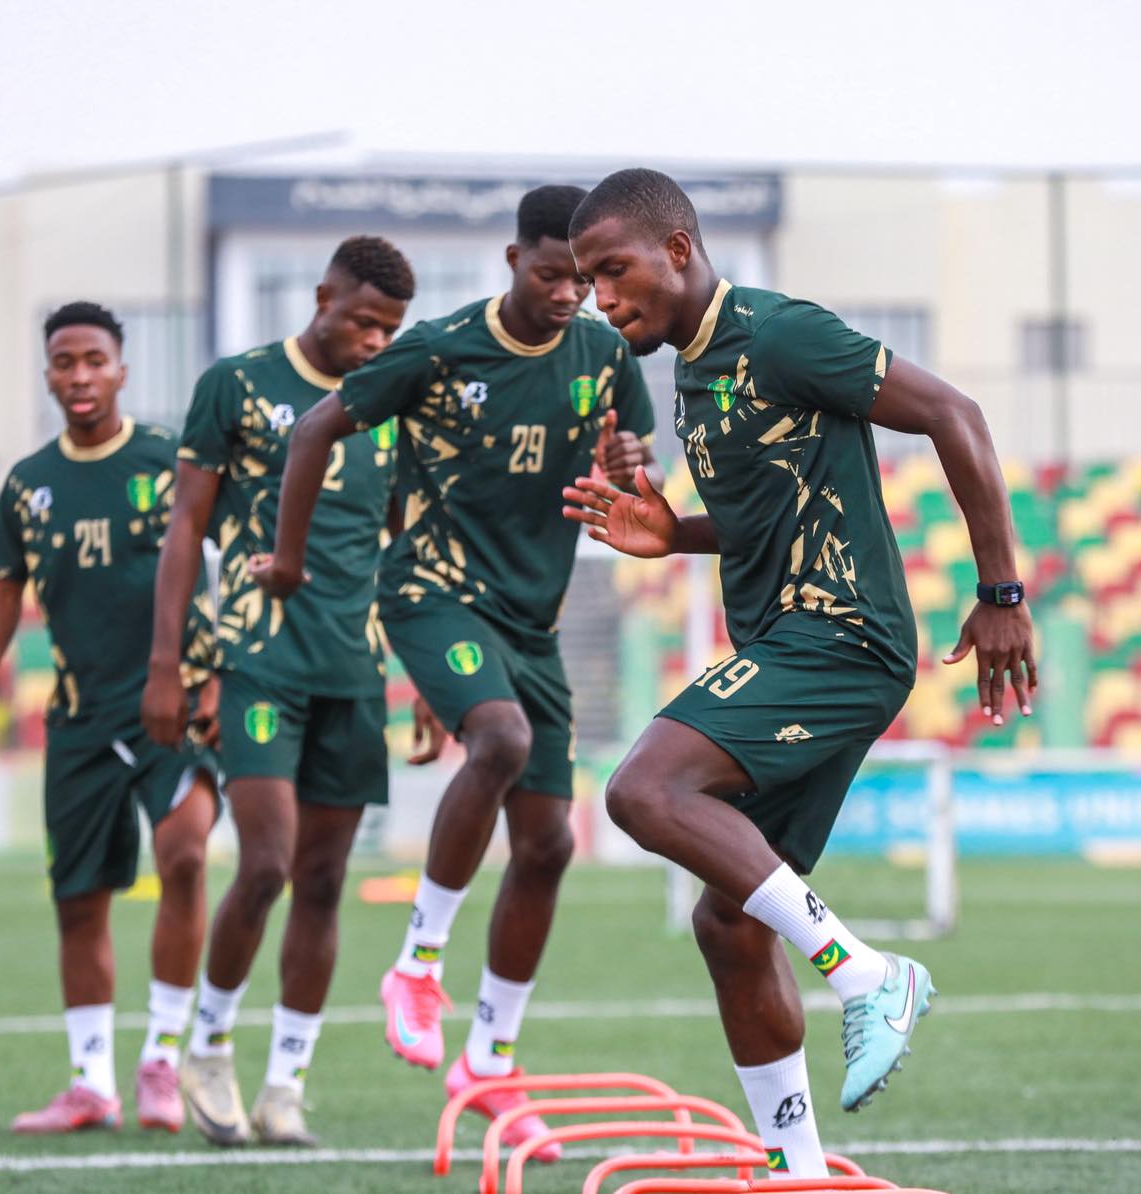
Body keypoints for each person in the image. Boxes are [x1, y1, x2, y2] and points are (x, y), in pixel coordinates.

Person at [563, 168, 1037, 1177]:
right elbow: (760, 514)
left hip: (840, 636)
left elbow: (953, 411)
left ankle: (868, 974)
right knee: (727, 920)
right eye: (589, 281)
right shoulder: (694, 371)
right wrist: (672, 532)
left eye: (615, 271)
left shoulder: (778, 332)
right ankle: (799, 1169)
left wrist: (1002, 593)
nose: (603, 298)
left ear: (678, 249)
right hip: (791, 646)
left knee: (644, 789)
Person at [251, 185, 661, 1159]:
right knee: (503, 740)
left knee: (551, 844)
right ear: (513, 264)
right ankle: (419, 964)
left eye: (587, 278)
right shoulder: (438, 349)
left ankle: (489, 1059)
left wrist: (635, 460)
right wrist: (293, 558)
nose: (572, 295)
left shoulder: (605, 352)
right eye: (555, 275)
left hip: (532, 620)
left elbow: (637, 474)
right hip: (433, 591)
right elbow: (315, 431)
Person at [141, 236, 421, 1148]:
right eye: (362, 321)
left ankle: (286, 1083)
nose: (375, 342)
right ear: (321, 298)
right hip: (258, 659)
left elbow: (403, 544)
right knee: (264, 862)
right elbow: (187, 526)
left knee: (326, 880)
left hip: (354, 665)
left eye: (391, 329)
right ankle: (210, 1047)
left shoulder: (391, 407)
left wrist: (415, 670)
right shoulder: (237, 383)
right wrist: (167, 665)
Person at [0, 301, 221, 1135]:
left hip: (170, 704)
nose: (78, 376)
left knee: (183, 854)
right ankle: (90, 1083)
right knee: (80, 901)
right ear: (49, 375)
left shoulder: (167, 459)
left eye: (93, 360)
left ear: (121, 370)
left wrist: (217, 676)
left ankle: (163, 1062)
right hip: (76, 716)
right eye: (63, 362)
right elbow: (3, 586)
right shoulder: (30, 484)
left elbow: (224, 555)